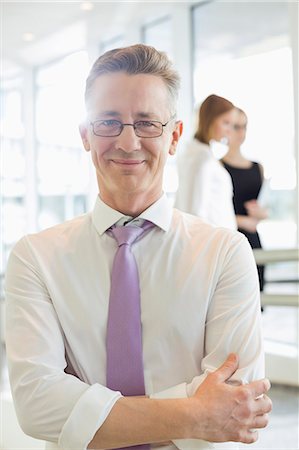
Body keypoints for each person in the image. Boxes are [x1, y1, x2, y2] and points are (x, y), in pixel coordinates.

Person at [5, 45, 271, 450]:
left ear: (175, 136)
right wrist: (198, 413)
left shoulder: (226, 254)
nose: (128, 143)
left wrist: (85, 413)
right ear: (85, 135)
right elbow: (37, 404)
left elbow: (236, 398)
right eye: (109, 122)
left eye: (147, 123)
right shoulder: (35, 257)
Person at [221, 107, 268, 292]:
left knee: (258, 299)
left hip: (254, 240)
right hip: (230, 238)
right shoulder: (217, 167)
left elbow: (261, 206)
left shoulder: (258, 168)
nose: (241, 132)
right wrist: (241, 220)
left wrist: (261, 214)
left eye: (244, 127)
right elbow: (211, 212)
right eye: (235, 126)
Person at [174, 94, 237, 229]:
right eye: (225, 123)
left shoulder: (196, 154)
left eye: (232, 125)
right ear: (210, 120)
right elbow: (196, 211)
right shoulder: (202, 160)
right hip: (212, 242)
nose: (229, 130)